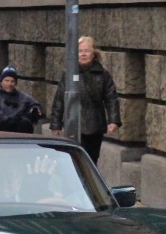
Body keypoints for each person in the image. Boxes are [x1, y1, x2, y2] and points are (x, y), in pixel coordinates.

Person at [50, 36, 121, 164]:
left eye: (87, 51)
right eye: (80, 51)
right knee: (77, 159)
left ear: (93, 54)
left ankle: (88, 182)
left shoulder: (103, 74)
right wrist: (56, 124)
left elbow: (111, 98)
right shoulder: (69, 74)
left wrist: (114, 120)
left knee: (91, 160)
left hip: (95, 124)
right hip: (75, 123)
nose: (83, 54)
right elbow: (59, 100)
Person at [0, 65, 43, 133]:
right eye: (6, 81)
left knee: (25, 122)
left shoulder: (23, 97)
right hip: (0, 130)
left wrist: (35, 109)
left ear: (15, 83)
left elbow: (35, 105)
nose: (9, 84)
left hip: (20, 131)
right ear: (1, 81)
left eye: (12, 81)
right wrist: (9, 120)